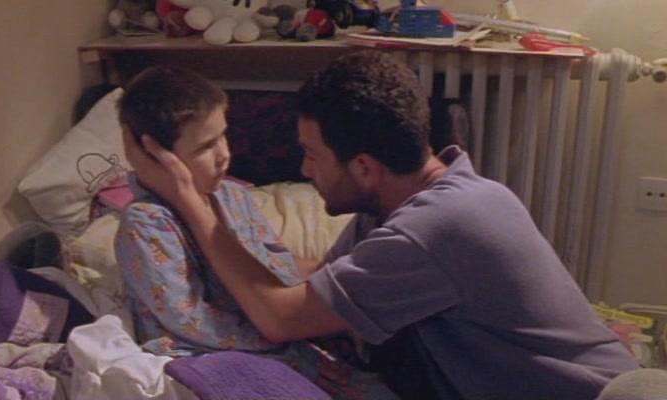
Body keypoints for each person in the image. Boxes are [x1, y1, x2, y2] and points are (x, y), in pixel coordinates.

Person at [123, 51, 639, 400]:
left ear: (365, 167)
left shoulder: (439, 225)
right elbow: (315, 284)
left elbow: (281, 318)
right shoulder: (396, 208)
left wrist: (190, 200)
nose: (304, 169)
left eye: (312, 155)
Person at [115, 65, 398, 399]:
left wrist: (319, 317)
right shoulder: (146, 223)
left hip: (278, 340)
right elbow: (190, 322)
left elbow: (276, 267)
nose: (224, 155)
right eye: (205, 147)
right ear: (156, 157)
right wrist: (290, 348)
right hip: (209, 352)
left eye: (222, 136)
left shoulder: (232, 196)